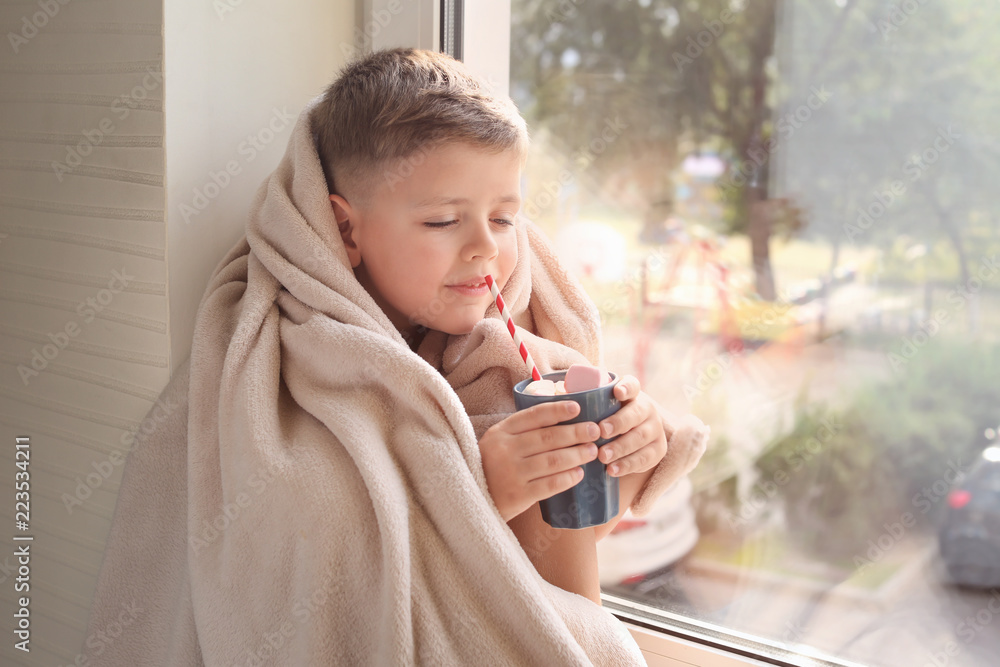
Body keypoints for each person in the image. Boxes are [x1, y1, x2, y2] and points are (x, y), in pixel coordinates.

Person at [311, 47, 683, 605]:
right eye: (442, 220)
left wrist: (634, 439)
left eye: (504, 218)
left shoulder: (510, 339)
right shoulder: (312, 360)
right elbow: (327, 563)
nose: (485, 246)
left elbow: (571, 530)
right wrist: (482, 491)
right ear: (346, 227)